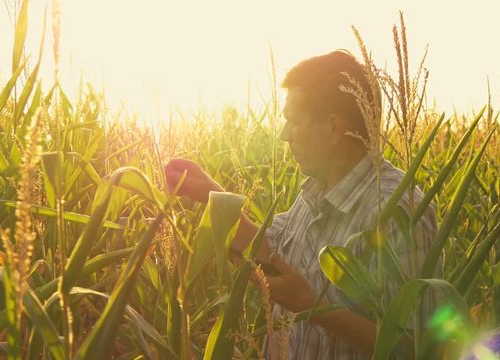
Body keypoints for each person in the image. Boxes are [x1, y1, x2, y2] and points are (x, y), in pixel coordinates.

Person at [164, 50, 439, 359]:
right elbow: (272, 252)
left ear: (334, 128)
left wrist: (315, 309)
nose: (283, 135)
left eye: (292, 121)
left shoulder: (397, 210)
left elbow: (417, 349)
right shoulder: (315, 190)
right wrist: (211, 195)